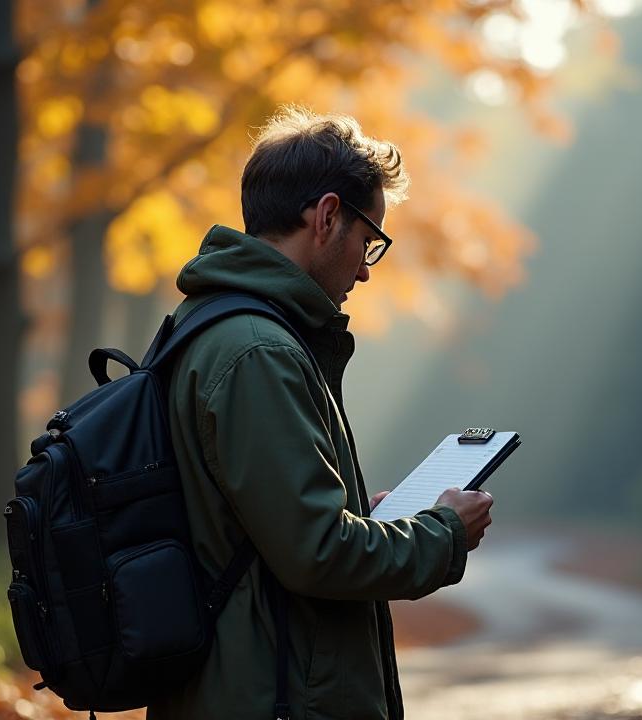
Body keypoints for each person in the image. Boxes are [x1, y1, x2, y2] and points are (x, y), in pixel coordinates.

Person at [149, 106, 494, 720]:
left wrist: (377, 522)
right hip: (271, 698)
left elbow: (266, 529)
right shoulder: (257, 351)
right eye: (369, 241)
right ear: (327, 216)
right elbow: (316, 553)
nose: (365, 268)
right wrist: (441, 533)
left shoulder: (213, 327)